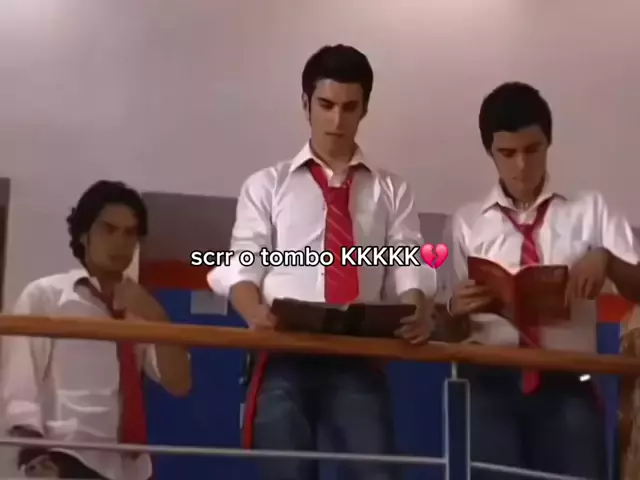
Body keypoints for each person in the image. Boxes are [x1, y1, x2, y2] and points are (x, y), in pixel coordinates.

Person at [209, 44, 436, 480]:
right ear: (305, 104)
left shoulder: (392, 190)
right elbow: (243, 262)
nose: (336, 120)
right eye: (326, 105)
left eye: (349, 107)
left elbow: (409, 261)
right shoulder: (265, 185)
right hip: (284, 348)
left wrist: (417, 311)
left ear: (365, 109)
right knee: (287, 472)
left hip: (358, 350)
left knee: (375, 473)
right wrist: (253, 312)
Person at [444, 82, 640, 478]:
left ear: (549, 143)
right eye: (507, 153)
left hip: (568, 380)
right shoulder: (465, 223)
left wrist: (607, 260)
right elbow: (444, 331)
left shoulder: (590, 211)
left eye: (532, 150)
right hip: (491, 381)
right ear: (490, 152)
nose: (521, 165)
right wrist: (454, 309)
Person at [0, 180, 192, 479]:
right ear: (84, 234)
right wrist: (34, 457)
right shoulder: (47, 296)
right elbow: (21, 383)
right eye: (108, 229)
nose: (120, 242)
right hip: (66, 457)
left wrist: (157, 316)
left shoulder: (141, 308)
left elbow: (179, 384)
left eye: (130, 233)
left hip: (130, 468)